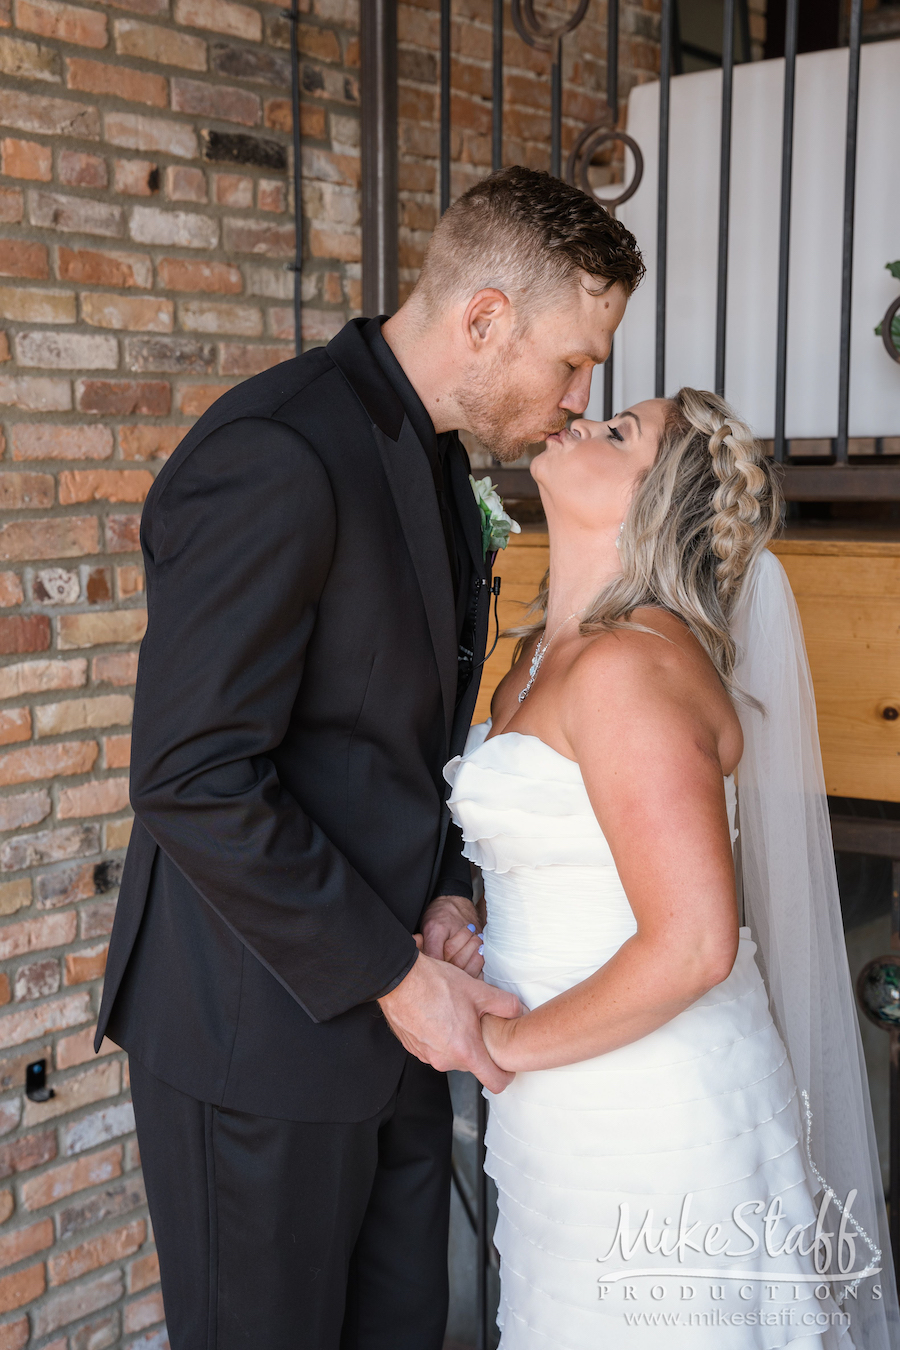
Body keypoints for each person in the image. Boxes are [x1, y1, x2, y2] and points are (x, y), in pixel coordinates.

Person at [94, 166, 645, 1350]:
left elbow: (409, 736)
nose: (579, 394)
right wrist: (398, 978)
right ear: (485, 318)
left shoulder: (446, 459)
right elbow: (192, 773)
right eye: (573, 361)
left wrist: (450, 888)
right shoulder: (277, 451)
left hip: (397, 1029)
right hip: (258, 1036)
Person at [445, 389, 898, 1348]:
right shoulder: (533, 656)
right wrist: (472, 929)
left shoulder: (629, 666)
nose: (580, 423)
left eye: (619, 434)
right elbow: (573, 870)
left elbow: (693, 944)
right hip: (562, 1111)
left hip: (649, 1115)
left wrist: (506, 1050)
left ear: (659, 503)